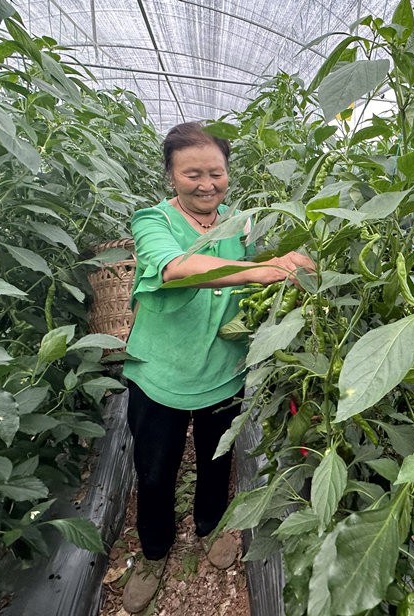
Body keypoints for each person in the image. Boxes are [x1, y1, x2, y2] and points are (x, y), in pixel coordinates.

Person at [120, 121, 314, 613]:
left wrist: (299, 260)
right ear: (170, 176)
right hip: (160, 372)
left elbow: (279, 263)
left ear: (228, 175)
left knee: (216, 460)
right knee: (155, 470)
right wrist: (260, 270)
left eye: (216, 173)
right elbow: (174, 268)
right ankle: (154, 552)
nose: (206, 184)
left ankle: (210, 527)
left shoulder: (242, 224)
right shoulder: (153, 221)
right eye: (192, 174)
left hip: (223, 369)